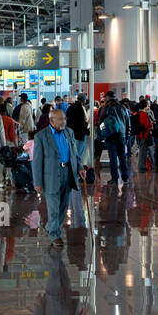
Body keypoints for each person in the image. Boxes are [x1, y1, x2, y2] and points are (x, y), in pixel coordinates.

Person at [32, 103, 80, 248]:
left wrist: (80, 168)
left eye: (64, 119)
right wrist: (37, 182)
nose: (63, 122)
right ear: (52, 121)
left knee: (63, 207)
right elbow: (37, 161)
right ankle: (55, 234)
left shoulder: (69, 133)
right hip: (51, 175)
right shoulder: (41, 136)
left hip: (67, 172)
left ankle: (52, 227)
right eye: (60, 119)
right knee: (54, 208)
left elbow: (75, 153)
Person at [98, 92, 132, 185]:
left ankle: (114, 178)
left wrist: (103, 133)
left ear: (107, 98)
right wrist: (127, 135)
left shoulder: (105, 108)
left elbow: (100, 123)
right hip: (122, 135)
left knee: (113, 157)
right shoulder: (123, 107)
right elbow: (128, 123)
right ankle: (125, 177)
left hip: (110, 136)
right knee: (122, 157)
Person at [66, 95, 91, 182]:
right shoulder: (80, 108)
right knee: (78, 155)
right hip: (80, 134)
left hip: (72, 134)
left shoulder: (71, 107)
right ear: (83, 100)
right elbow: (82, 122)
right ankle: (77, 173)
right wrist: (86, 128)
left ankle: (73, 172)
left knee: (73, 153)